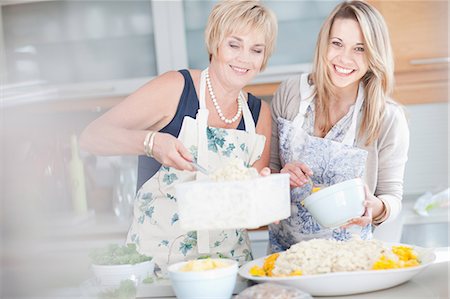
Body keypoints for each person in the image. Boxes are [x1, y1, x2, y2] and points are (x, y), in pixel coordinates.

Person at [80, 0, 277, 271]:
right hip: (158, 269)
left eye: (256, 50)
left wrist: (264, 193)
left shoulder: (259, 114)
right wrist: (152, 143)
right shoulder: (176, 88)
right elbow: (92, 136)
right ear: (215, 43)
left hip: (228, 270)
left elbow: (250, 211)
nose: (244, 58)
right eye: (234, 45)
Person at [269, 0, 409, 252]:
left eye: (359, 48)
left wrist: (376, 206)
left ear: (374, 54)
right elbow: (268, 171)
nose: (344, 58)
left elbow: (392, 195)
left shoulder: (387, 117)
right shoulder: (290, 93)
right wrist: (280, 178)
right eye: (337, 43)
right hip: (285, 258)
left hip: (351, 260)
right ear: (324, 43)